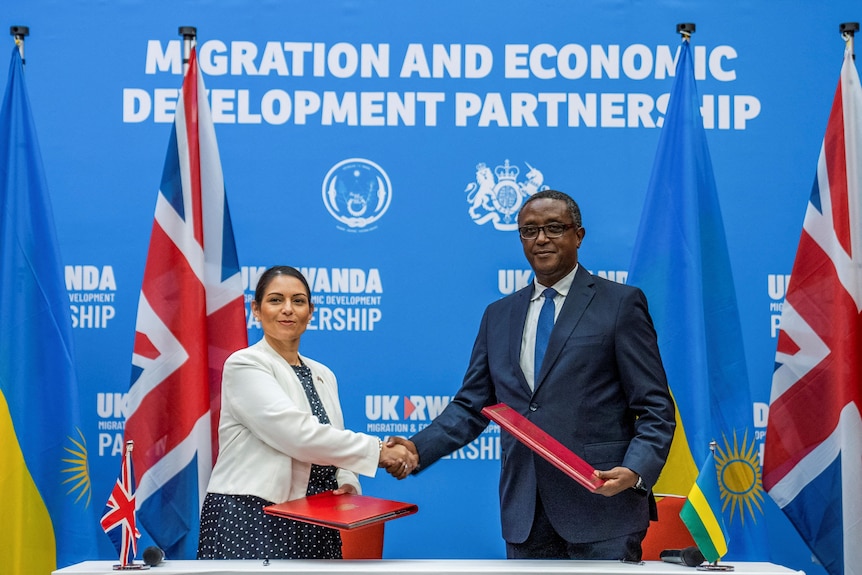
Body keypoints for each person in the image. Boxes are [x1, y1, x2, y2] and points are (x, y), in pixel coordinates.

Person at [386, 190, 675, 561]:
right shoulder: (498, 314)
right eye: (529, 230)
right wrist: (415, 448)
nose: (541, 239)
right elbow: (472, 405)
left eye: (554, 228)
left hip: (603, 507)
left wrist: (635, 470)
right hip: (525, 511)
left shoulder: (620, 303)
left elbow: (655, 407)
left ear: (579, 235)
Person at [197, 265, 416, 560]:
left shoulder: (323, 373)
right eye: (275, 300)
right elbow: (297, 435)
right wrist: (380, 452)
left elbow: (334, 440)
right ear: (256, 310)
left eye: (298, 301)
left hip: (317, 521)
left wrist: (347, 482)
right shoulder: (245, 364)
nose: (287, 309)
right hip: (252, 514)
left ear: (310, 311)